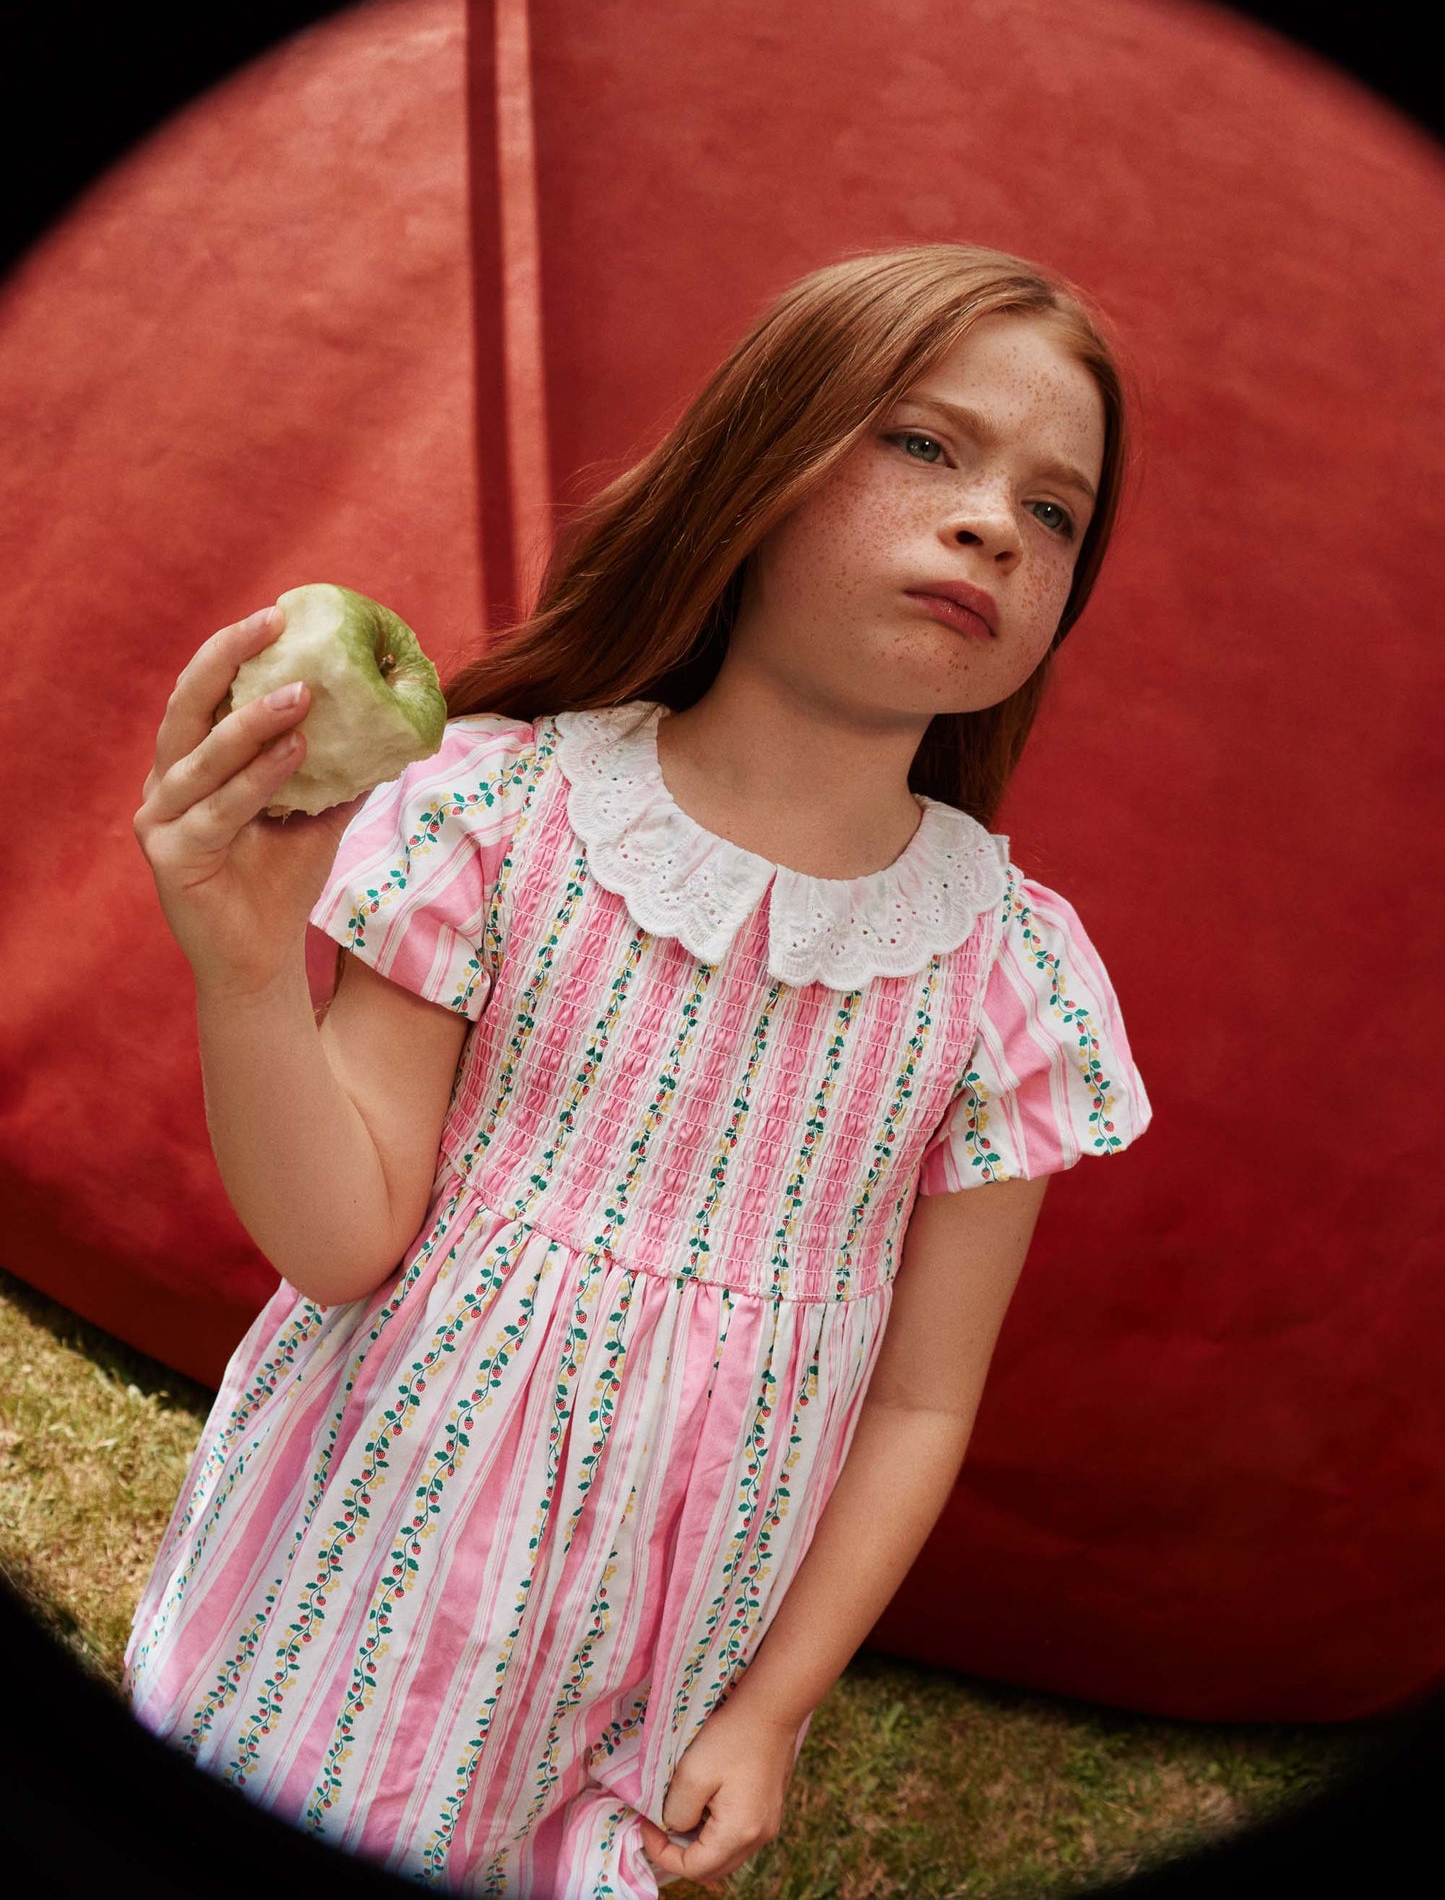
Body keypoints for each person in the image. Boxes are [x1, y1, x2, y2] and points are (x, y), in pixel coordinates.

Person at [126, 242, 1153, 1899]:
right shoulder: (499, 811)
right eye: (923, 443)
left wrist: (772, 1708)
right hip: (363, 1578)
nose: (990, 522)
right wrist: (246, 974)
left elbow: (918, 1396)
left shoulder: (1007, 975)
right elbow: (339, 1240)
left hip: (651, 1667)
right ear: (759, 459)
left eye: (1054, 512)